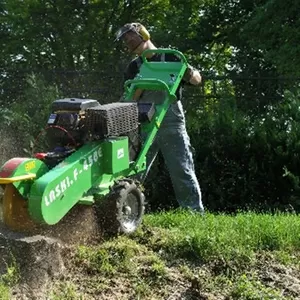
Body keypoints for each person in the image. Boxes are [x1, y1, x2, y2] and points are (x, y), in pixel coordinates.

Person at [115, 22, 204, 213]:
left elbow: (197, 80)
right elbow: (130, 99)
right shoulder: (134, 67)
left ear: (143, 34)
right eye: (125, 40)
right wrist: (140, 84)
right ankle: (126, 212)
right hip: (145, 122)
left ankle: (194, 213)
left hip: (171, 120)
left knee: (182, 168)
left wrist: (189, 72)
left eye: (131, 36)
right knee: (134, 170)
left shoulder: (172, 57)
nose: (129, 41)